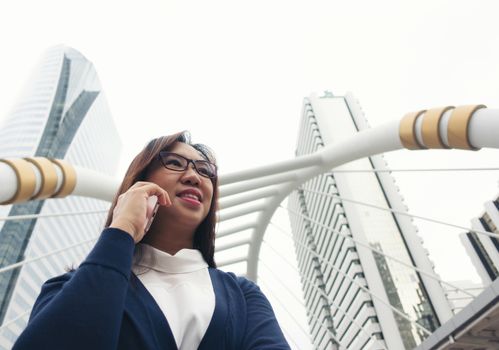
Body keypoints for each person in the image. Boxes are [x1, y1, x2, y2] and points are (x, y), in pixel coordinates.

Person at [13, 131, 290, 350]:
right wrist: (122, 228)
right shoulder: (68, 287)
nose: (194, 176)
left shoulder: (242, 295)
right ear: (140, 181)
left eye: (205, 170)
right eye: (174, 163)